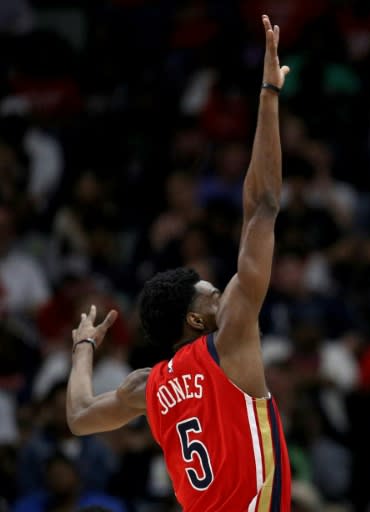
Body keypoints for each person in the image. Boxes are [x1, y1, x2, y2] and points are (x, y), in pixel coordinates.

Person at [65, 14, 292, 511]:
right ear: (196, 319)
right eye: (213, 295)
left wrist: (84, 348)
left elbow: (80, 416)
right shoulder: (228, 339)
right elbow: (262, 206)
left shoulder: (146, 386)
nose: (222, 294)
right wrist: (268, 94)